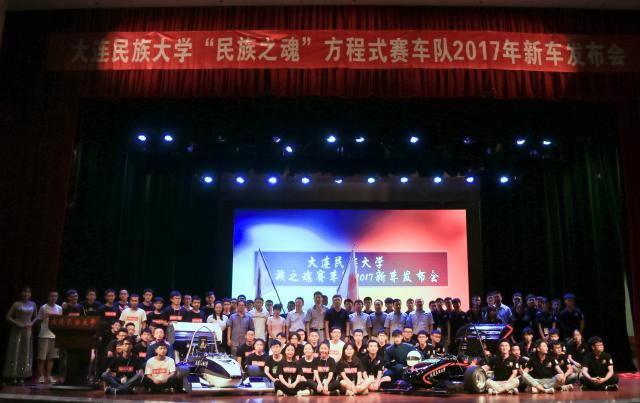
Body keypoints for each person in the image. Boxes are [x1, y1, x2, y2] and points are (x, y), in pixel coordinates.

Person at [3, 286, 37, 383]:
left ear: (30, 294)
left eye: (28, 292)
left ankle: (23, 375)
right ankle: (13, 374)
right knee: (16, 350)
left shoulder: (33, 304)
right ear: (21, 294)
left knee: (25, 351)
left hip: (28, 330)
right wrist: (18, 323)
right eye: (24, 292)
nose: (26, 294)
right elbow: (8, 317)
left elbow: (36, 317)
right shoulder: (16, 304)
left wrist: (31, 323)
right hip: (17, 330)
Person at [35, 290, 62, 384]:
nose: (53, 298)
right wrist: (41, 330)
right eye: (52, 296)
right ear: (48, 297)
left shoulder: (59, 308)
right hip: (44, 335)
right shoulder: (43, 307)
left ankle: (49, 376)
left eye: (55, 296)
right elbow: (38, 320)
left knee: (51, 357)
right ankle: (41, 376)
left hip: (54, 336)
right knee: (42, 357)